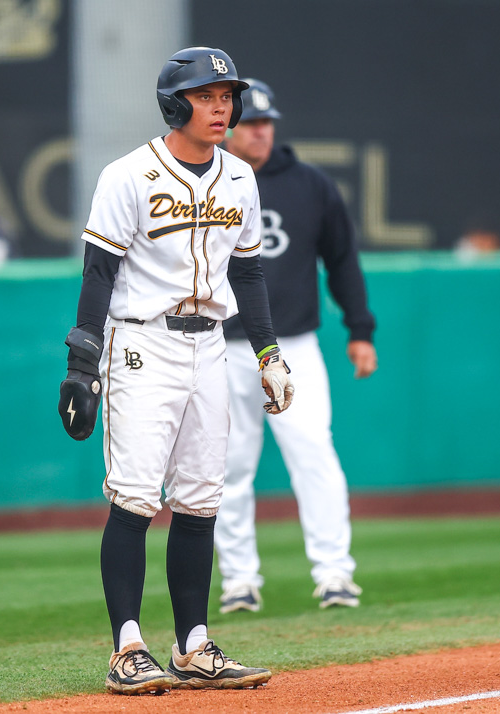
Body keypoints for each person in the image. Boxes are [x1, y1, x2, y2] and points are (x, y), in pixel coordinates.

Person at [57, 47, 294, 696]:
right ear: (174, 104)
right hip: (142, 343)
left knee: (201, 499)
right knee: (135, 497)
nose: (221, 107)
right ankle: (127, 648)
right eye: (205, 96)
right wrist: (83, 361)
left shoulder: (239, 177)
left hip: (210, 346)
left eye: (227, 96)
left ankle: (193, 646)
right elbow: (99, 272)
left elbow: (248, 272)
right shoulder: (128, 175)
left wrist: (268, 353)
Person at [216, 79, 377, 614]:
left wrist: (360, 330)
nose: (260, 131)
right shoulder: (207, 181)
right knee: (228, 466)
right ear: (229, 128)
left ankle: (334, 573)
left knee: (313, 453)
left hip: (294, 346)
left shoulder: (309, 184)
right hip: (223, 347)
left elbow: (343, 260)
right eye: (250, 122)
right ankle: (239, 580)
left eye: (266, 122)